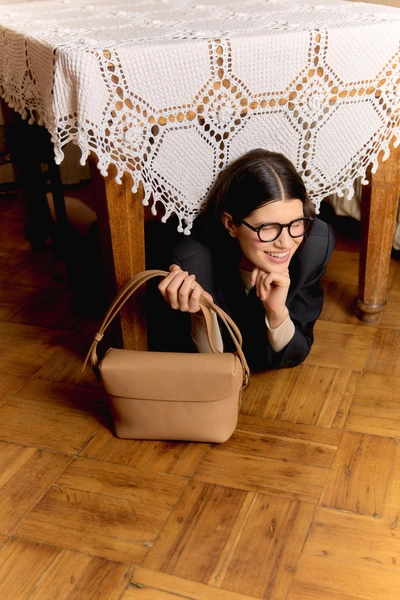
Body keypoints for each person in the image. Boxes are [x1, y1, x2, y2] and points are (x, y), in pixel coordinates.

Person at [151, 148, 335, 372]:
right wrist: (202, 317)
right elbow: (209, 371)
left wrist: (276, 312)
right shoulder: (190, 262)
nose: (286, 243)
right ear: (231, 224)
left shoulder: (313, 246)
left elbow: (296, 351)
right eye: (268, 228)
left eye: (295, 223)